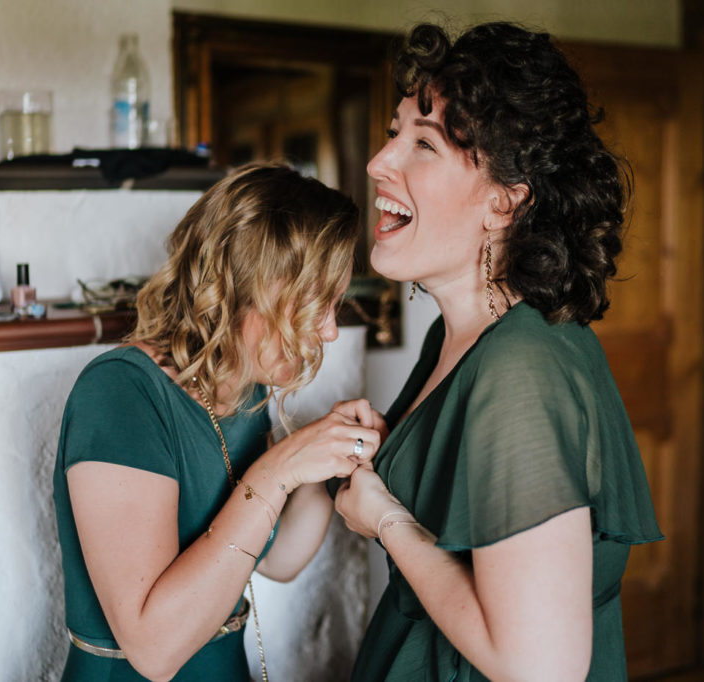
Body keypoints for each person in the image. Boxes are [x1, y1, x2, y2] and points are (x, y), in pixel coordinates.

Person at [334, 22, 663, 682]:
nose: (378, 161)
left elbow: (538, 669)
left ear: (504, 202)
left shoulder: (520, 369)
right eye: (395, 131)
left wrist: (388, 520)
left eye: (422, 144)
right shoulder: (456, 337)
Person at [53, 163, 386, 681]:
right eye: (317, 304)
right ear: (253, 286)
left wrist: (321, 469)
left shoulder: (244, 390)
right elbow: (155, 649)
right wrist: (278, 470)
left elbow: (277, 560)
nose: (329, 331)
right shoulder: (121, 392)